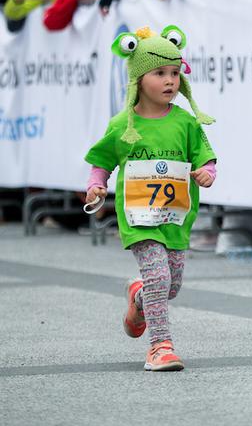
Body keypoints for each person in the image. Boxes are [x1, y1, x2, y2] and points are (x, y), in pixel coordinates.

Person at [84, 25, 216, 371]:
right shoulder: (122, 124)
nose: (170, 80)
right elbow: (101, 161)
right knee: (159, 278)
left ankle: (138, 298)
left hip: (175, 216)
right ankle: (160, 346)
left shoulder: (186, 122)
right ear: (139, 79)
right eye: (160, 73)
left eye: (175, 72)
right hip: (139, 216)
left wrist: (207, 173)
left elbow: (205, 158)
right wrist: (96, 185)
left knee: (170, 285)